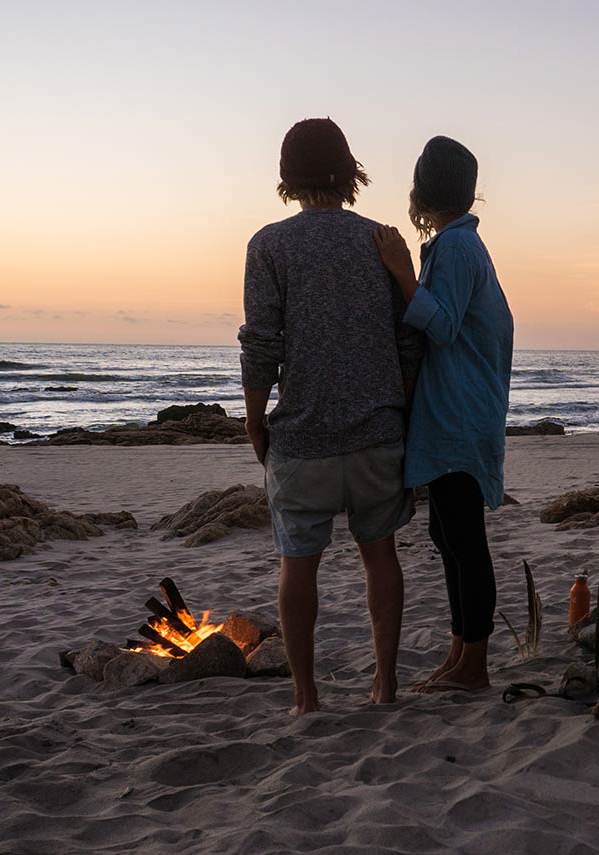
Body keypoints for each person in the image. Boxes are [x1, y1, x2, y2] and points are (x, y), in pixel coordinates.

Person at [239, 117, 423, 715]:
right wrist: (406, 411)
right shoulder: (381, 241)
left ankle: (305, 695)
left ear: (287, 178)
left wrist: (254, 418)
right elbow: (409, 341)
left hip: (304, 437)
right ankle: (385, 685)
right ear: (349, 173)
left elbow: (262, 343)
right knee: (381, 556)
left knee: (298, 564)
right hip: (377, 432)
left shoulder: (269, 245)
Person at [374, 136, 514, 693]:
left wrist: (402, 273)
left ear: (421, 190)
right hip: (458, 411)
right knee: (446, 532)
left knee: (463, 537)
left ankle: (473, 665)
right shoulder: (459, 246)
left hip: (459, 415)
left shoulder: (455, 250)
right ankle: (461, 652)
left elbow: (445, 324)